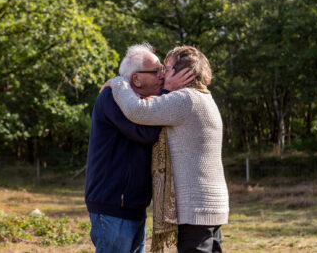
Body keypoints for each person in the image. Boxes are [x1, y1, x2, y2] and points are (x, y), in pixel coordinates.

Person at [110, 46, 229, 252]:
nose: (163, 74)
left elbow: (137, 110)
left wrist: (118, 82)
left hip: (195, 209)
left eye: (167, 68)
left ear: (181, 73)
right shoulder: (205, 97)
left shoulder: (186, 99)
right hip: (211, 206)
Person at [85, 43, 192, 253]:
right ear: (136, 79)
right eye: (156, 71)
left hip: (133, 207)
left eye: (163, 69)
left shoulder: (142, 101)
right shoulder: (112, 98)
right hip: (113, 206)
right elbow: (146, 134)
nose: (162, 76)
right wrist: (167, 91)